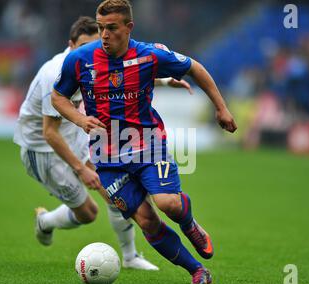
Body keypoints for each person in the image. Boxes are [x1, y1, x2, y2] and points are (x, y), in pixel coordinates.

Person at [52, 1, 237, 284]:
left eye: (111, 28)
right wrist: (80, 120)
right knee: (147, 221)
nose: (104, 35)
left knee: (168, 204)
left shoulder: (149, 55)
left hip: (148, 144)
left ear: (129, 28)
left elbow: (194, 68)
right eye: (101, 28)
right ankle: (197, 271)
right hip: (107, 157)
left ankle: (189, 224)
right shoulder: (80, 59)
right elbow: (58, 97)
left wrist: (221, 108)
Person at [13, 16, 191, 271]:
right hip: (41, 148)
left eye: (95, 44)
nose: (91, 51)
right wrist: (81, 168)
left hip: (74, 133)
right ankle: (46, 222)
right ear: (70, 45)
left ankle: (129, 257)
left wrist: (164, 80)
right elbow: (50, 133)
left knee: (114, 192)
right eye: (83, 45)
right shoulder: (54, 73)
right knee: (88, 213)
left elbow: (124, 76)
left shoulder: (95, 62)